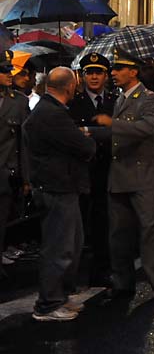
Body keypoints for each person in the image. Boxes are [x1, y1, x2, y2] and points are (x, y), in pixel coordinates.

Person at [91, 50, 154, 301]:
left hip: (142, 174)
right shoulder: (118, 98)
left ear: (133, 72)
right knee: (119, 234)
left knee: (150, 230)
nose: (112, 73)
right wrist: (89, 131)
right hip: (120, 175)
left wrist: (112, 125)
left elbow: (148, 128)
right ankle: (123, 282)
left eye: (118, 69)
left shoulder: (148, 98)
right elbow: (114, 133)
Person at [25, 67, 96, 322]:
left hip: (60, 185)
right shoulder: (52, 114)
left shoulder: (49, 111)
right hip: (56, 187)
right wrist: (86, 138)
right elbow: (84, 147)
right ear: (70, 87)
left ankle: (60, 296)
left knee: (72, 243)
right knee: (59, 246)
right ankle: (48, 303)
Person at [70, 52, 117, 286]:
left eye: (99, 72)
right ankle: (76, 272)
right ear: (83, 76)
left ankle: (102, 269)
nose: (94, 77)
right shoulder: (74, 103)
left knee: (104, 222)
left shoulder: (114, 101)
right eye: (90, 72)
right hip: (82, 170)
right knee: (79, 224)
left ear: (106, 75)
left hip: (108, 169)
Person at [0, 50, 29, 282]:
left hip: (6, 173)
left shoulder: (19, 102)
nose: (9, 75)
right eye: (3, 71)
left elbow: (25, 143)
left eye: (9, 70)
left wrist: (27, 177)